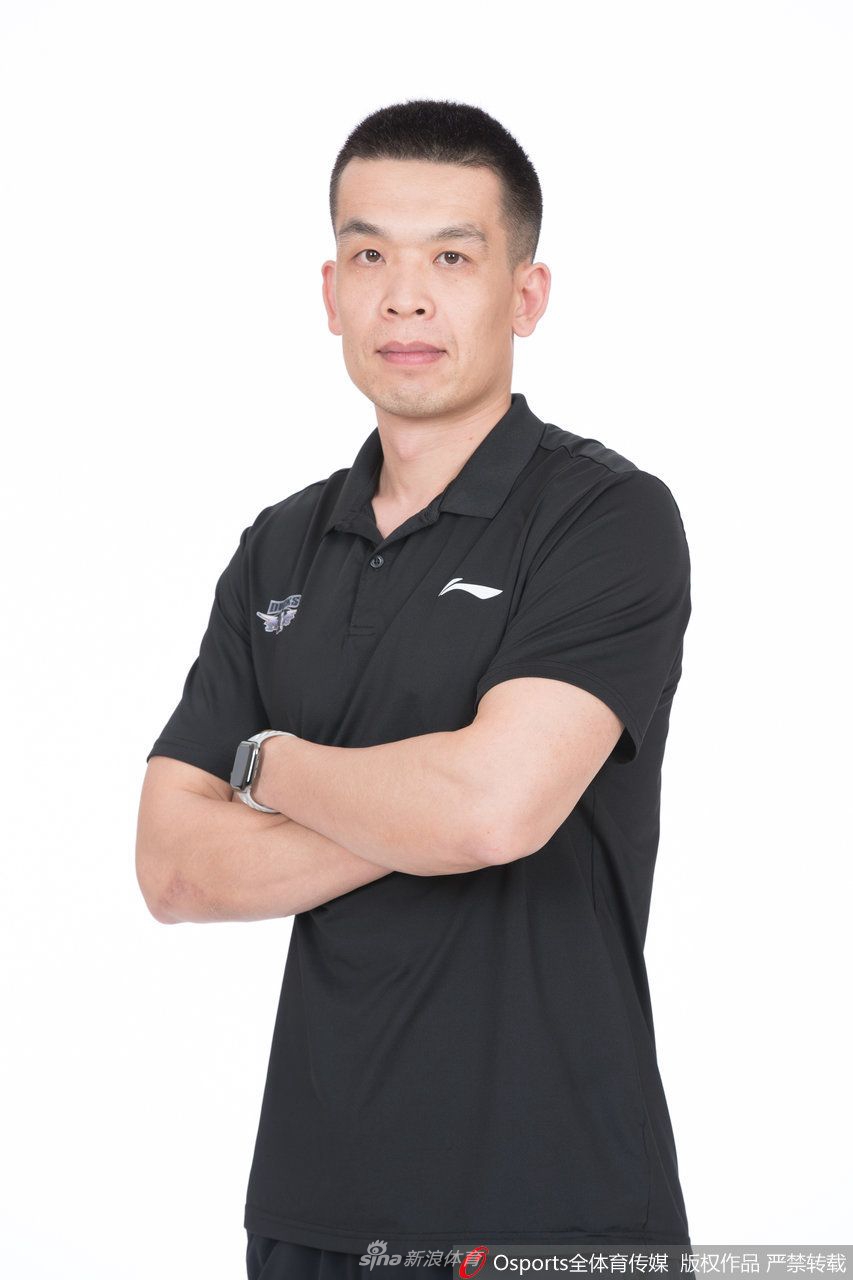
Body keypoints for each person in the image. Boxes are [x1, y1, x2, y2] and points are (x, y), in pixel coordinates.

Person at [136, 99, 694, 1280]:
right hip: (311, 1207)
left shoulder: (605, 518)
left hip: (555, 1209)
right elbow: (174, 867)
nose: (404, 297)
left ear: (525, 294)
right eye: (368, 256)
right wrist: (426, 800)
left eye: (450, 256)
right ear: (329, 292)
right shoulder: (277, 548)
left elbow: (491, 813)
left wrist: (268, 764)